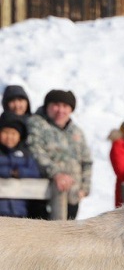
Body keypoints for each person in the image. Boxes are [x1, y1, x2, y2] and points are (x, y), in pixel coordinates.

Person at [26, 89, 92, 220]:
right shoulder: (37, 124)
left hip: (73, 195)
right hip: (44, 195)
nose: (60, 110)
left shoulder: (76, 132)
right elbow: (35, 151)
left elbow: (86, 161)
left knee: (67, 236)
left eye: (65, 106)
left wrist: (85, 187)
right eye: (56, 105)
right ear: (48, 106)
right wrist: (56, 173)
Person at [0, 111, 42, 218]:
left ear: (19, 137)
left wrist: (20, 173)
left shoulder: (26, 156)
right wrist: (8, 172)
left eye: (13, 133)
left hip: (20, 211)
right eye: (5, 132)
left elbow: (36, 172)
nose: (9, 137)